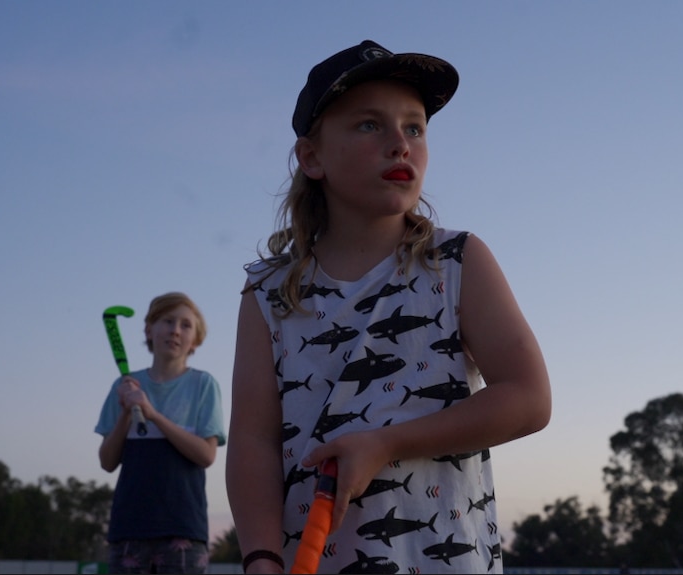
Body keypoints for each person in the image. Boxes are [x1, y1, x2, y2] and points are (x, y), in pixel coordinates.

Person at [226, 40, 551, 574]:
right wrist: (260, 558)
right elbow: (253, 443)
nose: (400, 144)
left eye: (415, 127)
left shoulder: (457, 260)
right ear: (312, 157)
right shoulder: (267, 291)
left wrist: (386, 444)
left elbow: (530, 398)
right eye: (369, 125)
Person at [95, 292, 226, 574]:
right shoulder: (124, 386)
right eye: (167, 321)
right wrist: (127, 413)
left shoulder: (203, 385)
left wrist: (152, 414)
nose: (175, 331)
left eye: (186, 325)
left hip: (183, 529)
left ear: (196, 339)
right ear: (149, 330)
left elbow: (206, 455)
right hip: (128, 528)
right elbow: (107, 462)